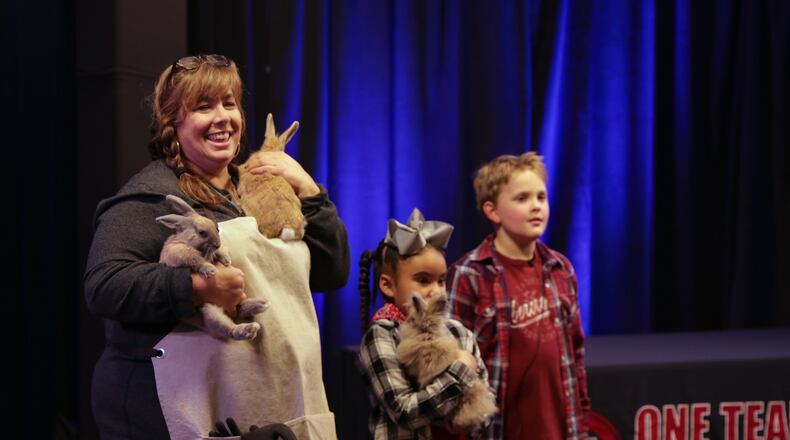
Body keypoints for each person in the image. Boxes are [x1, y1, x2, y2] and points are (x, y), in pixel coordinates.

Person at [84, 54, 350, 439]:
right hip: (179, 415)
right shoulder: (151, 197)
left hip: (269, 407)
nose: (223, 117)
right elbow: (104, 284)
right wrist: (198, 289)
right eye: (204, 107)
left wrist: (310, 193)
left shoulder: (259, 187)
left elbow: (331, 271)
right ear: (172, 122)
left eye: (230, 103)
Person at [446, 152, 591, 440]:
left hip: (559, 429)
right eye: (522, 198)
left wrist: (582, 424)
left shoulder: (560, 269)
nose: (536, 206)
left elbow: (575, 355)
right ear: (493, 211)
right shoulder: (470, 274)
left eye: (541, 197)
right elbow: (453, 361)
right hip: (498, 430)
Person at [357, 208, 493, 440]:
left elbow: (483, 403)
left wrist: (473, 418)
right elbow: (405, 411)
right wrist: (459, 371)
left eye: (441, 281)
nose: (436, 290)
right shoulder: (382, 334)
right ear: (388, 285)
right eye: (423, 280)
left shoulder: (458, 332)